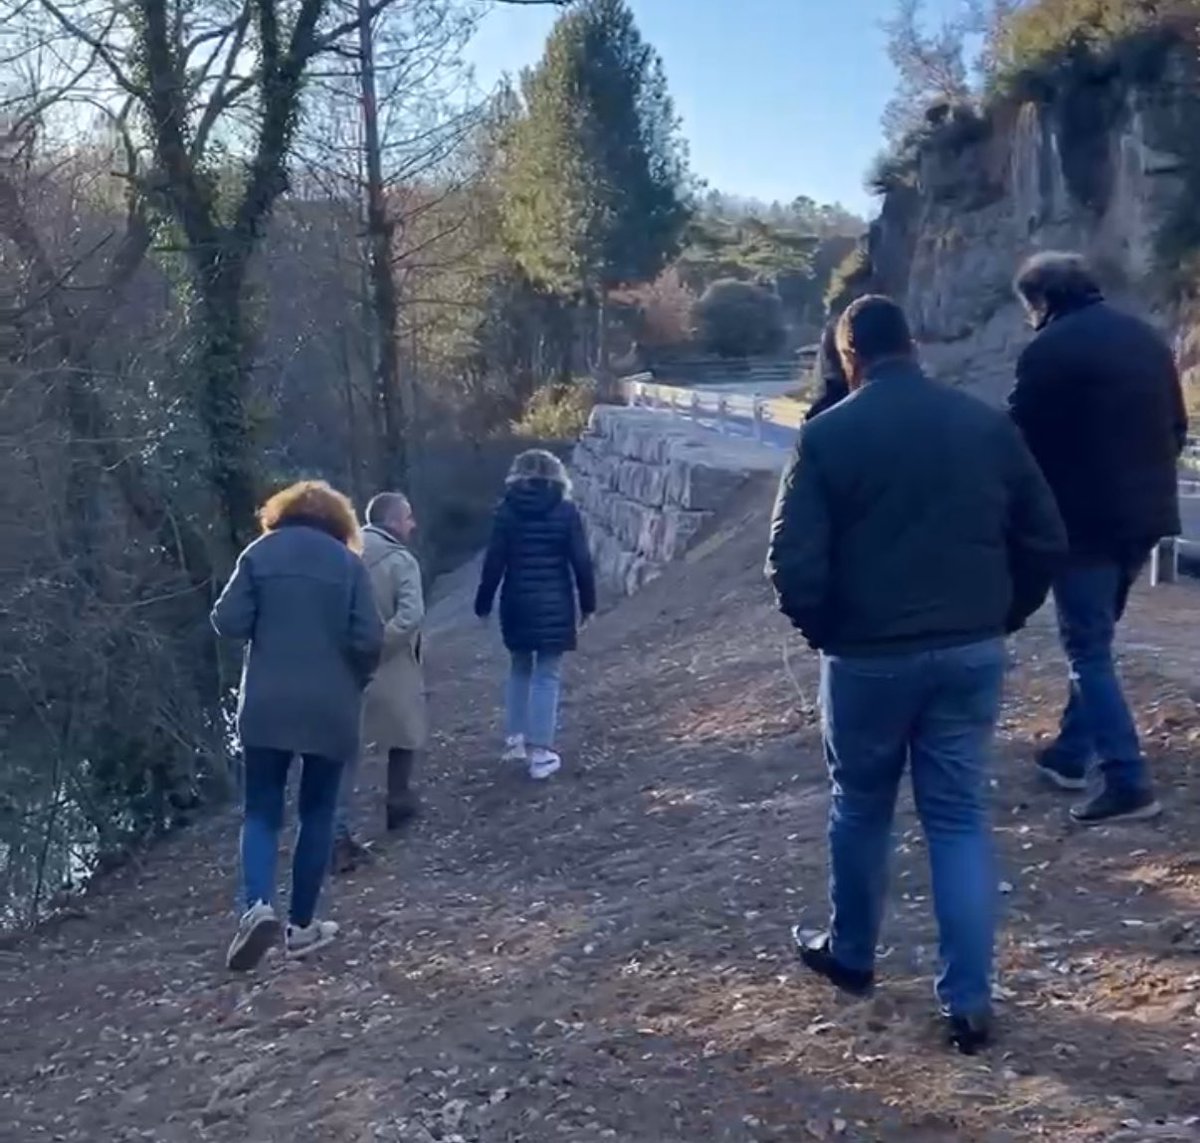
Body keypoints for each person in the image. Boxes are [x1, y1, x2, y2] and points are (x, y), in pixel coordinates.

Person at [766, 296, 1066, 1054]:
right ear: (916, 345)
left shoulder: (827, 438)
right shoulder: (985, 426)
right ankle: (968, 1001)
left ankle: (853, 953)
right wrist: (1001, 616)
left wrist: (830, 631)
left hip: (868, 657)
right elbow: (1045, 537)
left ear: (848, 357)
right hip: (969, 650)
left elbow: (790, 564)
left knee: (861, 807)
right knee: (959, 818)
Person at [1010, 252, 1187, 825]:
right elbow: (1177, 427)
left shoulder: (1049, 350)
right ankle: (1068, 753)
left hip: (1082, 524)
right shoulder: (1146, 339)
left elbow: (1021, 441)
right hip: (1146, 517)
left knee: (1087, 650)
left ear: (1041, 302)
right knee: (1097, 640)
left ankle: (1127, 780)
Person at [212, 480, 383, 971]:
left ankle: (257, 907)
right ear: (339, 523)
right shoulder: (348, 565)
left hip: (267, 704)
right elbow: (369, 638)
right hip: (330, 706)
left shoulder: (259, 555)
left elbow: (228, 621)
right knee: (318, 814)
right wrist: (354, 679)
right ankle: (302, 927)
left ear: (279, 515)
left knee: (262, 811)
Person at [474, 449, 597, 780]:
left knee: (519, 668)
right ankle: (540, 753)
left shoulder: (507, 511)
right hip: (555, 601)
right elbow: (581, 561)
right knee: (547, 674)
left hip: (517, 602)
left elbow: (494, 562)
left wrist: (483, 603)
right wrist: (588, 604)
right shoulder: (566, 510)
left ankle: (515, 741)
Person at [333, 491, 427, 872]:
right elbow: (410, 616)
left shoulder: (343, 554)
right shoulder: (399, 560)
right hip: (391, 661)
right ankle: (398, 802)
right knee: (404, 733)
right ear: (392, 521)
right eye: (408, 518)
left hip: (345, 664)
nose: (413, 525)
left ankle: (339, 832)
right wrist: (378, 645)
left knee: (343, 752)